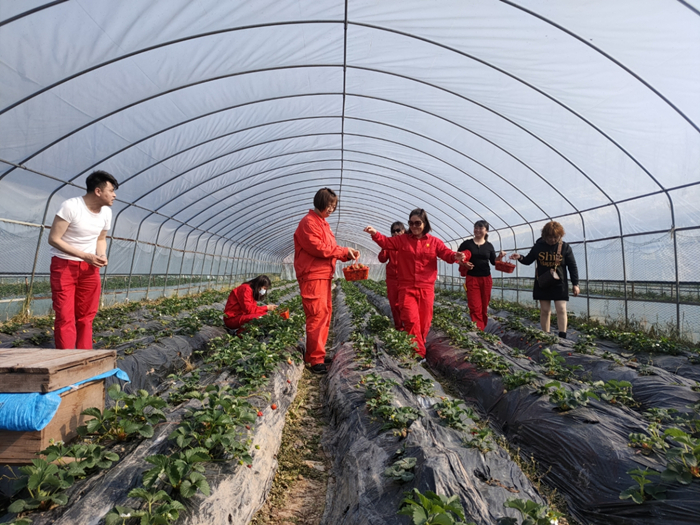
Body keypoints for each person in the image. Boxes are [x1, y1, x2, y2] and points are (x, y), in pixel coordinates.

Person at [364, 208, 465, 358]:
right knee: (411, 321)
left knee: (424, 323)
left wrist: (455, 256)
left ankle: (419, 344)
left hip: (426, 288)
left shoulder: (434, 242)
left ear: (425, 223)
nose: (414, 226)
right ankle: (418, 354)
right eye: (411, 223)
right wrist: (375, 234)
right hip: (407, 287)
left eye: (418, 223)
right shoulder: (402, 240)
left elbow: (445, 253)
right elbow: (386, 242)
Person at [48, 170, 118, 349]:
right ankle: (66, 361)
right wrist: (85, 255)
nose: (114, 195)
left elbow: (100, 239)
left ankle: (84, 358)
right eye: (111, 191)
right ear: (98, 191)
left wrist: (101, 255)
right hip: (64, 266)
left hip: (89, 269)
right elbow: (54, 239)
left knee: (86, 316)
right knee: (65, 315)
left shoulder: (106, 213)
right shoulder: (71, 207)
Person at [294, 188, 360, 374]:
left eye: (334, 206)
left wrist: (347, 253)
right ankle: (315, 360)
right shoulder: (308, 223)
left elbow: (331, 248)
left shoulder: (323, 224)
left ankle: (317, 355)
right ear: (319, 203)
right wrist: (342, 251)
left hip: (323, 275)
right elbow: (319, 248)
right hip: (312, 275)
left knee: (325, 314)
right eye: (329, 205)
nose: (331, 209)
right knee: (316, 315)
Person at [510, 221, 580, 338]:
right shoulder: (539, 246)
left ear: (560, 236)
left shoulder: (565, 247)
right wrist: (520, 257)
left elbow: (572, 266)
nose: (552, 240)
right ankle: (545, 335)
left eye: (555, 237)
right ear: (544, 236)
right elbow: (528, 260)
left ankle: (562, 336)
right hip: (543, 282)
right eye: (549, 237)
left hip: (559, 283)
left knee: (561, 309)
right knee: (545, 310)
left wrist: (575, 284)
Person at [457, 220, 506, 331]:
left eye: (481, 228)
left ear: (486, 231)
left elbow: (494, 262)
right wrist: (464, 263)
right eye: (476, 228)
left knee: (484, 306)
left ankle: (482, 328)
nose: (478, 230)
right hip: (472, 278)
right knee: (474, 306)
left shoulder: (489, 246)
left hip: (486, 279)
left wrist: (500, 257)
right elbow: (458, 258)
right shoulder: (467, 244)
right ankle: (478, 330)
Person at [377, 221, 406, 330]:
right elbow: (382, 259)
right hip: (392, 278)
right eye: (393, 231)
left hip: (406, 279)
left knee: (406, 305)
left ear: (403, 231)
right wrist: (385, 246)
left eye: (398, 230)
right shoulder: (390, 244)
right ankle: (399, 327)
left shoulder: (408, 243)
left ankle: (409, 329)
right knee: (394, 305)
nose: (395, 233)